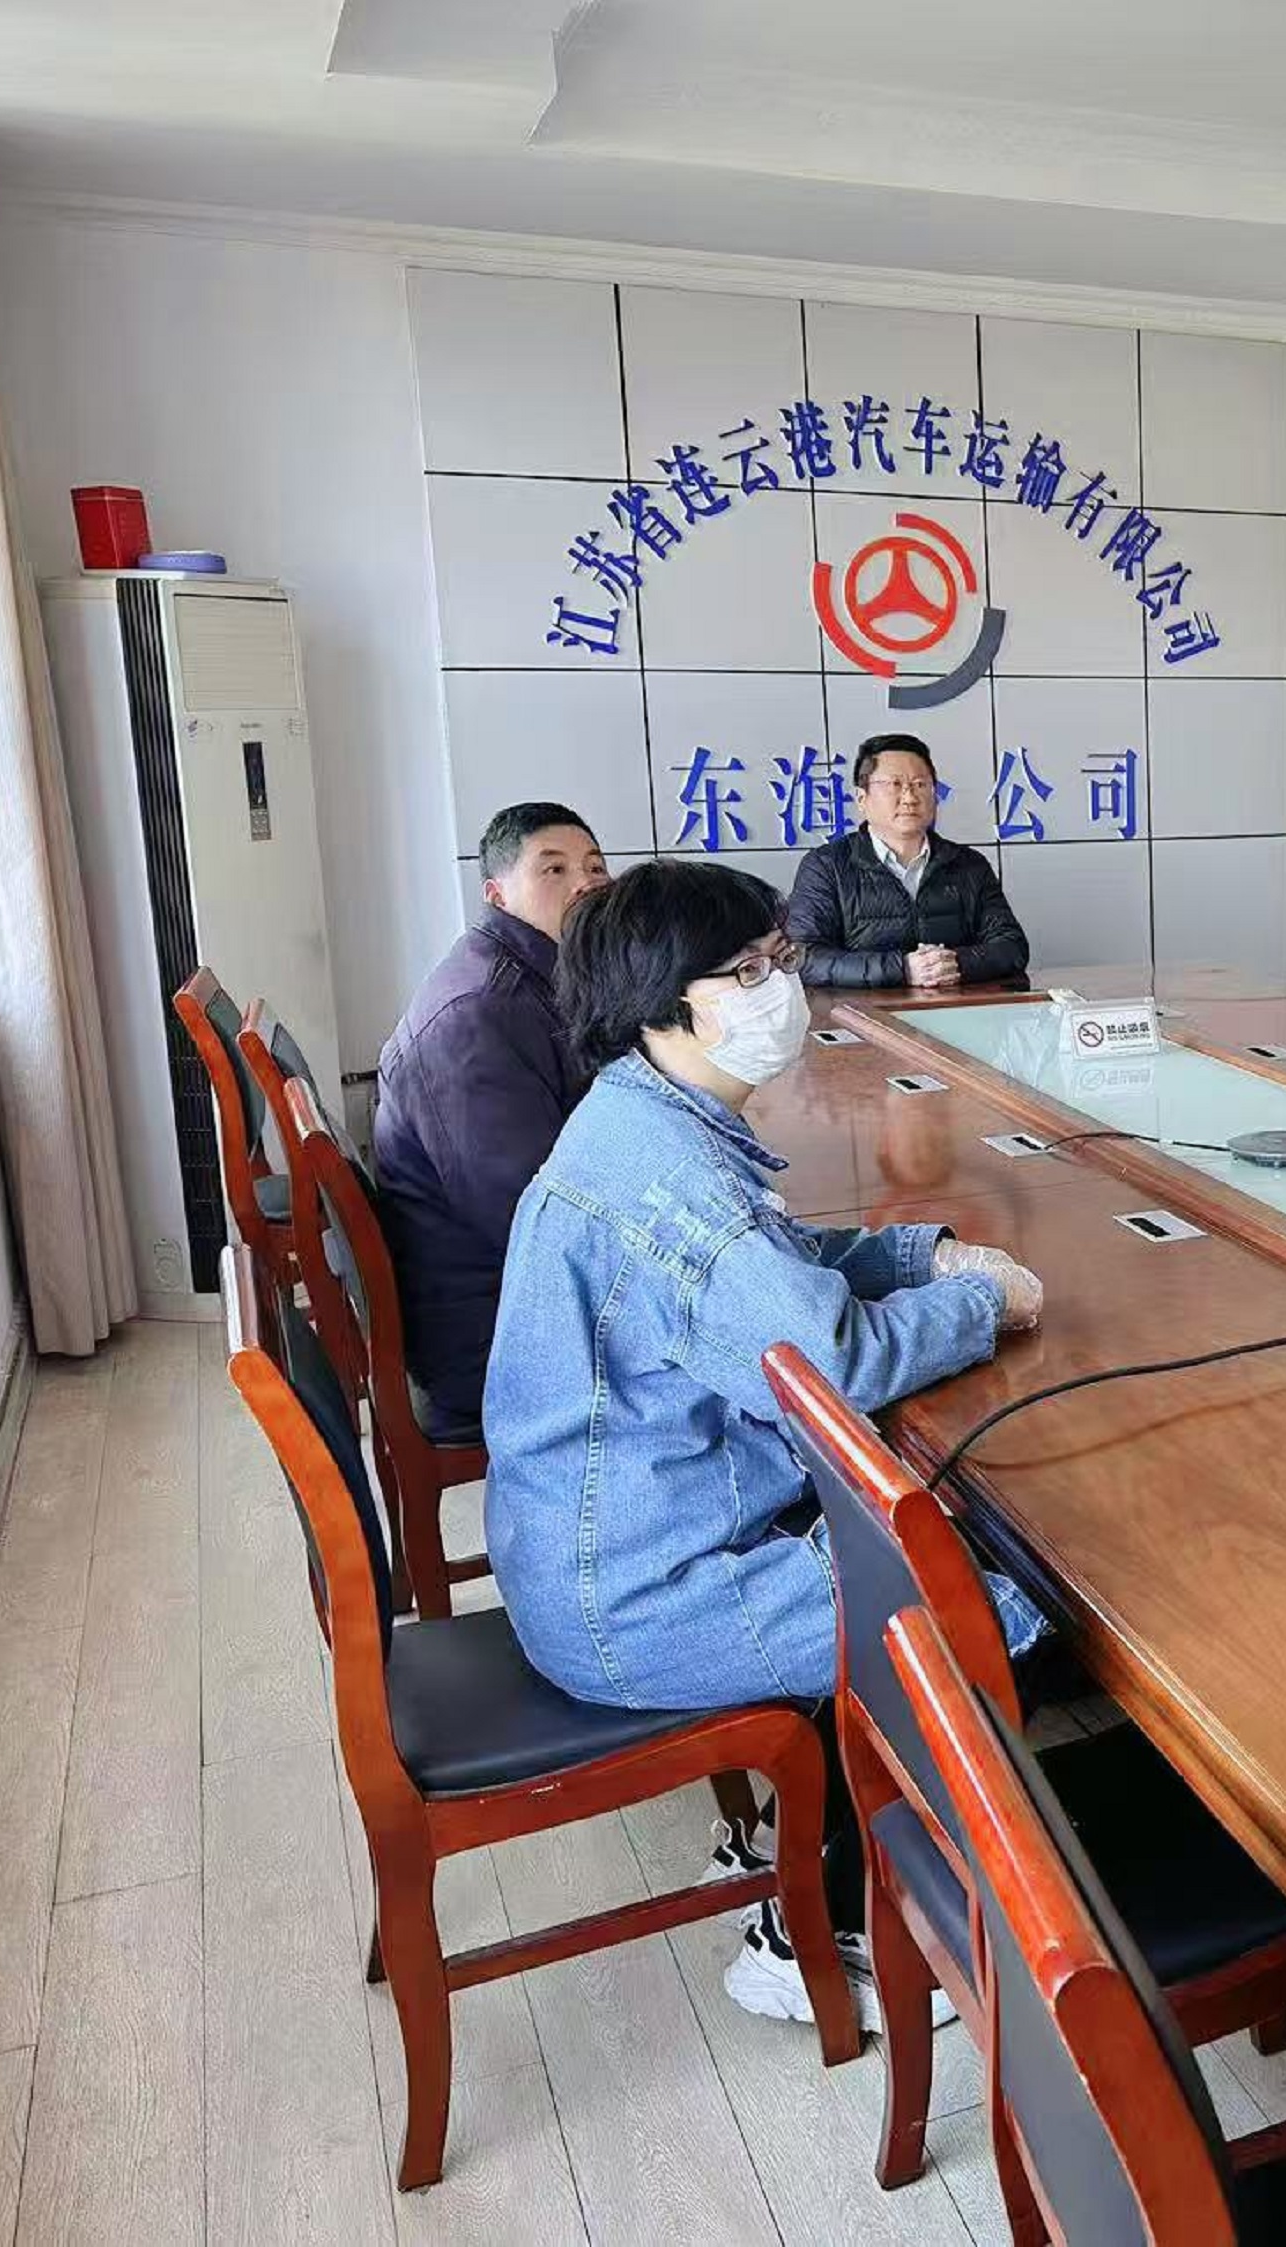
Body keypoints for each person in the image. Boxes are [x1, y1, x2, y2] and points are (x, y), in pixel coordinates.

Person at [479, 858, 1047, 2027]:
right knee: (975, 1611)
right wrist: (981, 1302)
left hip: (604, 1543)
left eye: (781, 958)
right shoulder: (673, 1178)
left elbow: (770, 1270)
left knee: (914, 1545)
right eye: (746, 971)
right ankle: (818, 1929)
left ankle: (807, 1840)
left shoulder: (644, 1115)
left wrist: (918, 1253)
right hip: (637, 1591)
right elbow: (833, 1363)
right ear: (660, 1006)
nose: (779, 987)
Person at [372, 801, 610, 1436]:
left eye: (594, 867)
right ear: (496, 893)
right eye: (554, 869)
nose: (584, 883)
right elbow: (531, 1220)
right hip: (495, 1337)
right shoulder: (479, 1015)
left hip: (523, 1297)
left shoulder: (541, 975)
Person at [785, 733, 1029, 990]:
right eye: (895, 784)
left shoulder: (968, 865)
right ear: (862, 798)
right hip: (863, 1012)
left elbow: (1011, 946)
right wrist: (902, 969)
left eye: (920, 784)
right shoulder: (826, 867)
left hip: (958, 1008)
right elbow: (803, 958)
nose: (910, 797)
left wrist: (955, 964)